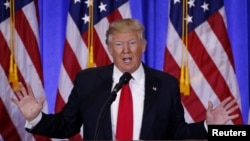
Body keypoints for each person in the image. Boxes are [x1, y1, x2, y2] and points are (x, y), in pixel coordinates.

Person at [11, 18, 239, 140]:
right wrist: (36, 118)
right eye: (118, 44)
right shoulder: (88, 81)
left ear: (143, 46)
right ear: (110, 48)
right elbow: (67, 126)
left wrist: (210, 128)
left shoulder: (166, 84)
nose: (125, 50)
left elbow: (177, 133)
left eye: (132, 43)